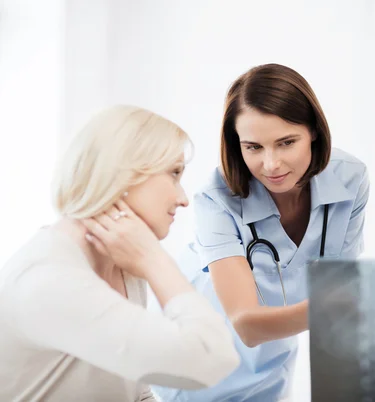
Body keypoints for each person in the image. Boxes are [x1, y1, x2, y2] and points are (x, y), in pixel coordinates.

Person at [152, 63, 370, 401]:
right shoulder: (216, 198)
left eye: (286, 142)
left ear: (313, 130)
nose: (271, 164)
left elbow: (337, 298)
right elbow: (247, 324)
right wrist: (355, 302)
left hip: (272, 366)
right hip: (196, 366)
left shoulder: (350, 180)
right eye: (253, 147)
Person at [0, 105, 240, 402]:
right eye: (174, 174)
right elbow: (211, 358)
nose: (182, 199)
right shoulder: (49, 279)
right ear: (123, 174)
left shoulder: (119, 264)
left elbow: (135, 393)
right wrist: (155, 260)